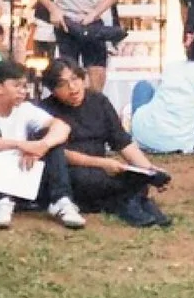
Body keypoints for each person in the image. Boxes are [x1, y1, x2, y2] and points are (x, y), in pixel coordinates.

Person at [0, 60, 85, 230]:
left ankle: (61, 201)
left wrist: (42, 146)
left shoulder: (26, 109)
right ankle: (0, 201)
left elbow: (63, 127)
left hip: (20, 180)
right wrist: (21, 145)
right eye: (17, 86)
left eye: (25, 86)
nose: (23, 91)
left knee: (50, 137)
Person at [44, 57, 169, 221]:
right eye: (62, 84)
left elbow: (122, 141)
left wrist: (149, 170)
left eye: (75, 79)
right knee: (85, 179)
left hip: (102, 169)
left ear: (83, 78)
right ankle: (129, 201)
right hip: (75, 169)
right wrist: (102, 163)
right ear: (53, 90)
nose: (72, 87)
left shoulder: (99, 101)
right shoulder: (46, 111)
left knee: (137, 177)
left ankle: (128, 200)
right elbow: (59, 153)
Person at [132, 33, 194, 156]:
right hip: (178, 143)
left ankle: (133, 135)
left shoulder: (171, 67)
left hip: (144, 137)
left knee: (143, 87)